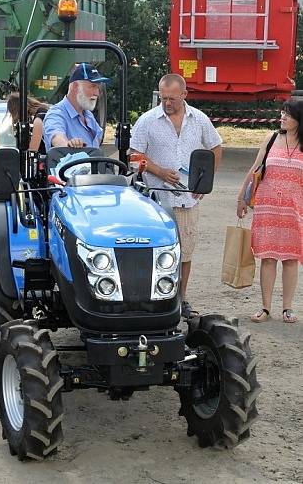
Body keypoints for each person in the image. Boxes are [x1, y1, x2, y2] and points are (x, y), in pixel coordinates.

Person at [130, 73, 222, 318]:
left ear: (184, 95)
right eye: (163, 98)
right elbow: (133, 157)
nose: (167, 103)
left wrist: (205, 182)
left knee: (186, 252)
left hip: (187, 200)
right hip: (156, 202)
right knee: (156, 251)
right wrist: (159, 171)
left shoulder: (199, 119)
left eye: (172, 98)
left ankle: (181, 300)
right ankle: (153, 299)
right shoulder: (147, 121)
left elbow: (216, 147)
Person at [237, 99, 303, 323]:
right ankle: (265, 308)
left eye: (288, 114)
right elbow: (255, 169)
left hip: (295, 211)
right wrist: (241, 198)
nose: (283, 117)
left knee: (291, 260)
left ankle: (288, 308)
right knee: (267, 258)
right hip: (267, 208)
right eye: (282, 113)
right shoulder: (272, 138)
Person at [43, 62, 110, 151]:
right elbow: (56, 136)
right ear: (75, 87)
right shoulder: (56, 114)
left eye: (98, 88)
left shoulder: (88, 115)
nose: (97, 93)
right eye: (93, 86)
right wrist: (67, 145)